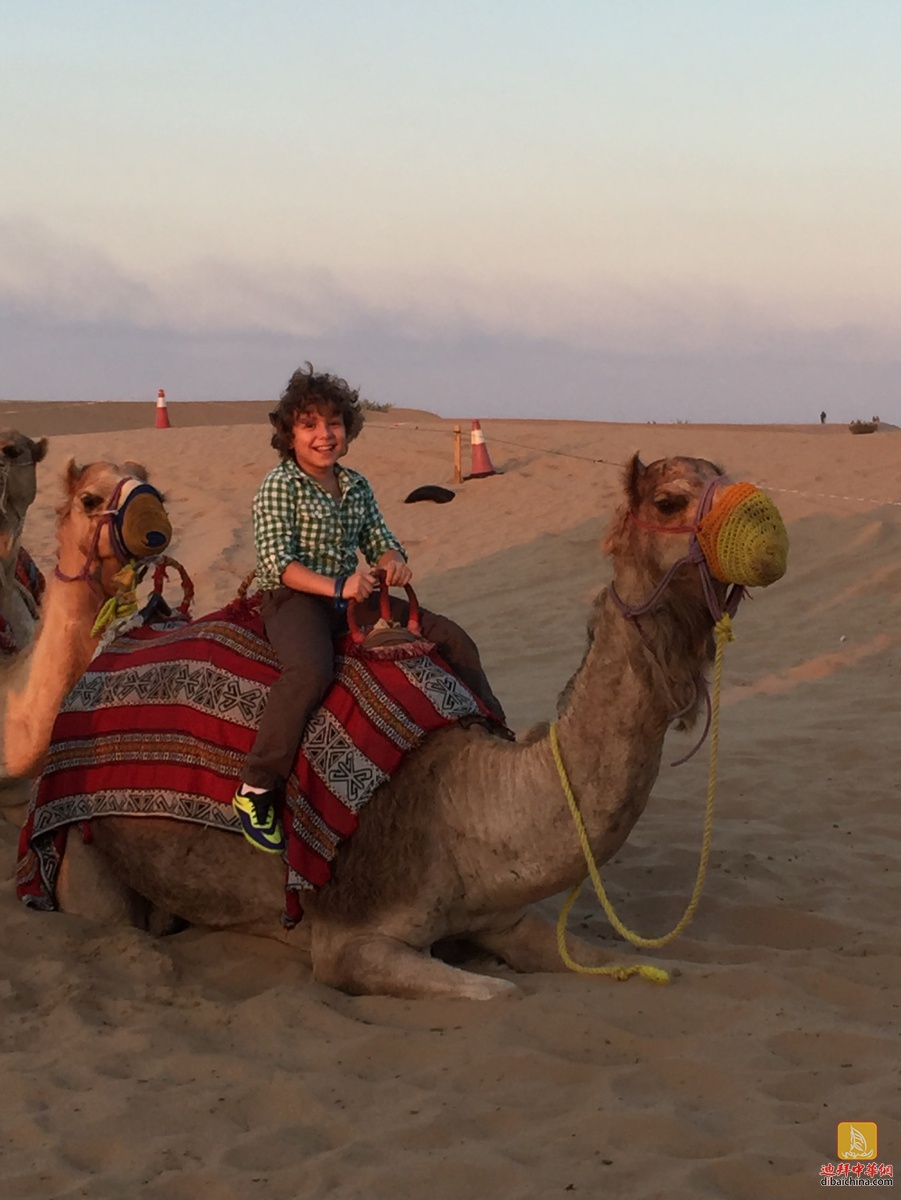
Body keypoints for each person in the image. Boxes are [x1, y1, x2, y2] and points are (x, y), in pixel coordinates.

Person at [233, 364, 506, 852]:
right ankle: (256, 787)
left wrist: (393, 562)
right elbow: (278, 564)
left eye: (333, 423)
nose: (324, 435)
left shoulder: (355, 486)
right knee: (310, 670)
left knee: (450, 637)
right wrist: (338, 586)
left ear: (347, 429)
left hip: (352, 596)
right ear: (289, 433)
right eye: (310, 425)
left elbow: (380, 539)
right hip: (295, 598)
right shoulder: (280, 486)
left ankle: (494, 735)